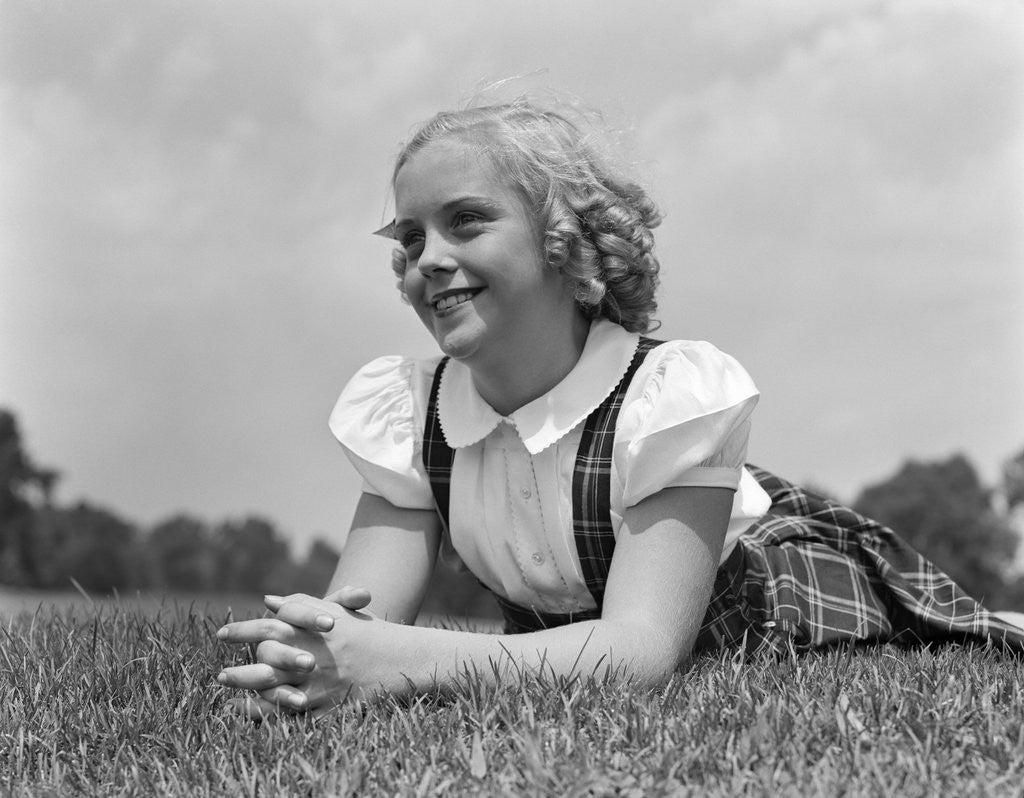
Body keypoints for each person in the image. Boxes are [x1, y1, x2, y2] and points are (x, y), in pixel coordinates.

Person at [215, 99, 1024, 717]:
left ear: (567, 242)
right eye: (412, 238)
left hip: (769, 594)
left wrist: (398, 662)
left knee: (960, 633)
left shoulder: (667, 399)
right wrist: (305, 659)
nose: (430, 259)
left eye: (466, 221)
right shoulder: (410, 414)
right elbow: (359, 620)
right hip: (585, 634)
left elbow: (639, 651)